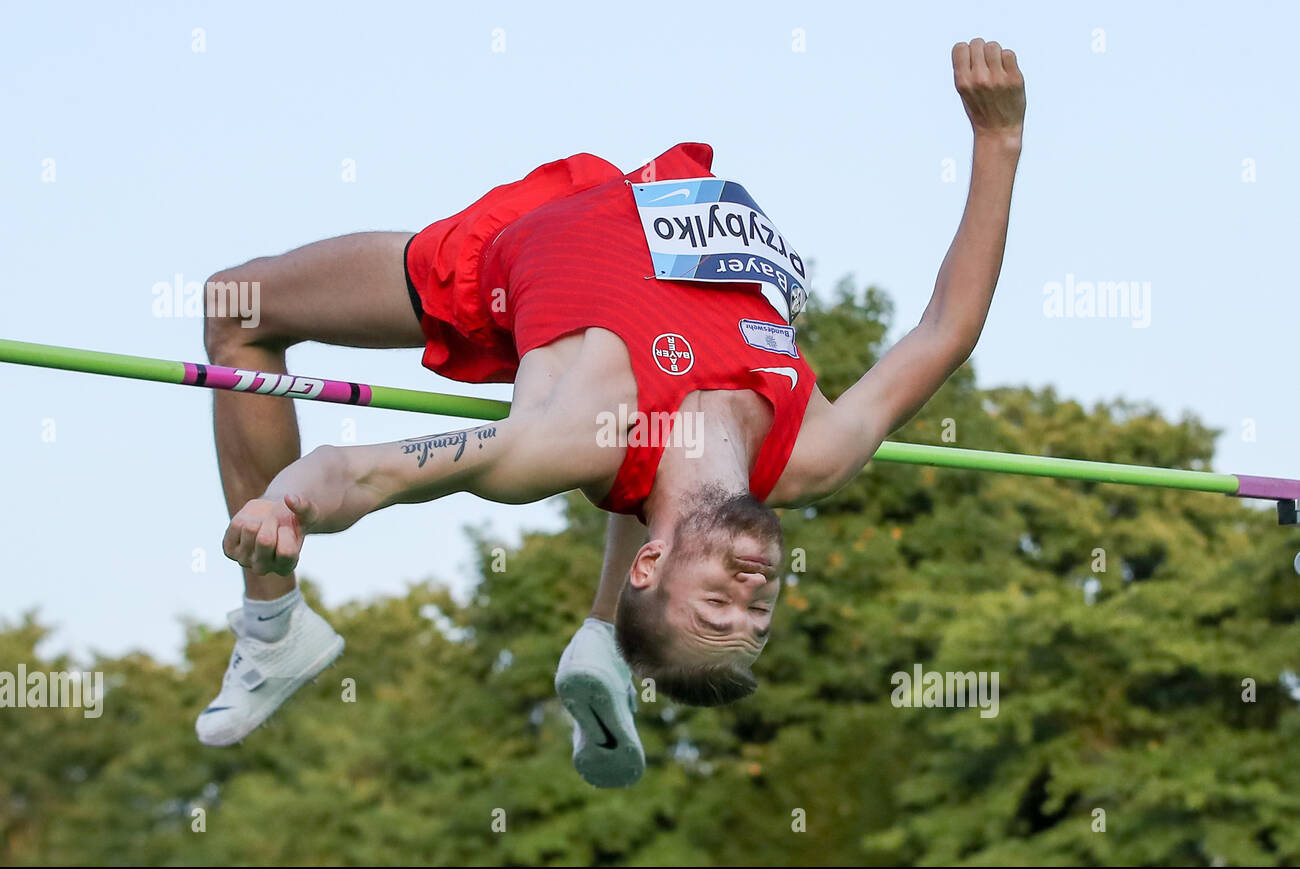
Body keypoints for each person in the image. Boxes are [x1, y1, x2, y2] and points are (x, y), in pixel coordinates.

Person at [198, 40, 1026, 788]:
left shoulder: (558, 441)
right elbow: (945, 332)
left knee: (235, 308)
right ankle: (601, 636)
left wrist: (286, 505)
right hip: (639, 209)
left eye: (716, 609)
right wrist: (998, 143)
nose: (751, 596)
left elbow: (364, 473)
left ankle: (272, 627)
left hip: (507, 254)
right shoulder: (817, 450)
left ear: (650, 567)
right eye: (757, 616)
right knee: (683, 480)